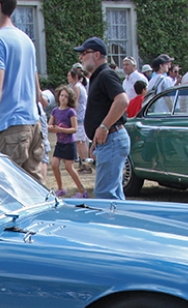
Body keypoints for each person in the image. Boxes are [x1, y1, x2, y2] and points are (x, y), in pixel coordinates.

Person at [0, 0, 44, 183]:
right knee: (34, 192)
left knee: (4, 195)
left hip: (10, 131)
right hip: (32, 126)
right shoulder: (26, 40)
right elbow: (36, 94)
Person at [74, 37, 129, 199]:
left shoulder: (106, 74)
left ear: (97, 55)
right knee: (113, 193)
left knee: (105, 195)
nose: (81, 58)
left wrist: (104, 127)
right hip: (108, 141)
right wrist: (95, 142)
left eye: (84, 53)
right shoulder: (98, 77)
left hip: (113, 138)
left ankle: (113, 223)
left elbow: (123, 100)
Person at [49, 85, 88, 198]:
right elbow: (50, 124)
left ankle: (82, 190)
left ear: (69, 98)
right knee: (54, 165)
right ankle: (60, 188)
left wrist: (60, 129)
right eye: (61, 95)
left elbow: (74, 129)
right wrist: (51, 127)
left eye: (66, 96)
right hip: (60, 143)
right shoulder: (55, 111)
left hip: (69, 143)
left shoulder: (71, 112)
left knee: (69, 167)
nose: (63, 98)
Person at [69, 64, 92, 174]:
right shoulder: (80, 86)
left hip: (80, 117)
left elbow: (75, 102)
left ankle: (86, 165)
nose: (68, 78)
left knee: (81, 142)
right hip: (83, 116)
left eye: (69, 76)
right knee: (81, 142)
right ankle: (85, 164)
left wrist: (69, 114)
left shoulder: (77, 87)